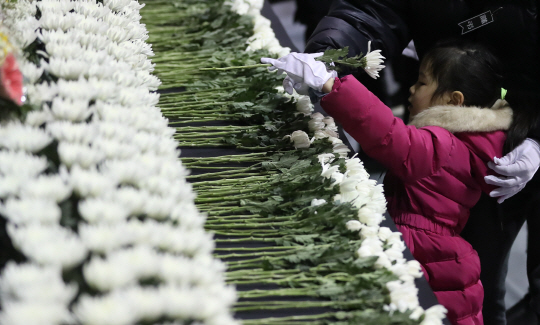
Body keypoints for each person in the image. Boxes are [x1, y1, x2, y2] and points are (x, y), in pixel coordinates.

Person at [298, 2, 540, 324]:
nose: (411, 89)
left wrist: (333, 86)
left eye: (422, 83)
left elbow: (390, 136)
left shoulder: (443, 146)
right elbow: (373, 10)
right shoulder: (481, 137)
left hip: (432, 268)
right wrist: (327, 53)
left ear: (454, 100)